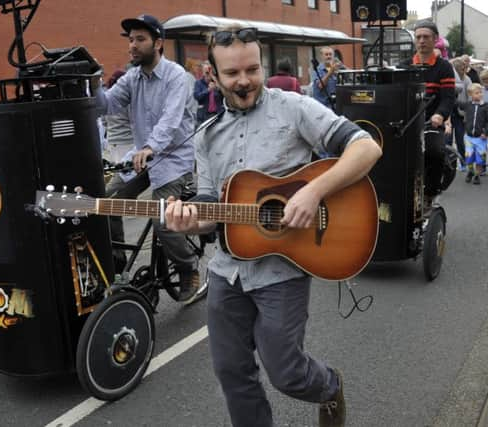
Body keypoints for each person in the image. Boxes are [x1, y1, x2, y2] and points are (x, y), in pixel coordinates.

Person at [164, 24, 382, 427]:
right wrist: (188, 223)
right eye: (232, 74)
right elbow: (212, 210)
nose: (244, 81)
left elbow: (366, 147)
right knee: (232, 373)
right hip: (227, 271)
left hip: (284, 268)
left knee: (287, 374)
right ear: (213, 75)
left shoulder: (294, 108)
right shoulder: (206, 136)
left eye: (252, 69)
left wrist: (313, 192)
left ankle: (329, 386)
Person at [95, 15, 200, 303]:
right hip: (142, 157)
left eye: (140, 39)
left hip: (174, 160)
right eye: (130, 40)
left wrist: (151, 146)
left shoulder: (176, 76)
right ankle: (117, 265)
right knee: (105, 202)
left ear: (158, 43)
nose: (133, 45)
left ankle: (188, 266)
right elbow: (107, 105)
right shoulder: (132, 78)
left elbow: (171, 118)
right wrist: (91, 82)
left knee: (163, 221)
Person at [400, 20, 456, 203]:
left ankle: (430, 195)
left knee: (435, 152)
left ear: (435, 39)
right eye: (418, 37)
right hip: (407, 123)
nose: (422, 41)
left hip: (431, 122)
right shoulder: (403, 66)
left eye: (426, 37)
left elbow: (448, 97)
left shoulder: (444, 67)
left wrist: (440, 114)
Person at [463, 83, 488, 185]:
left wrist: (486, 132)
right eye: (477, 93)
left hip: (481, 138)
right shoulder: (468, 105)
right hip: (469, 137)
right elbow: (455, 103)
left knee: (480, 159)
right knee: (469, 157)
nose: (480, 94)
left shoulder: (485, 106)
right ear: (471, 94)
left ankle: (477, 175)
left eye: (481, 92)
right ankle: (471, 171)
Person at [449, 57, 472, 170]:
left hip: (460, 114)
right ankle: (449, 163)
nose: (463, 71)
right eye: (461, 69)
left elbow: (470, 100)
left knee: (459, 140)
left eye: (464, 69)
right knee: (447, 140)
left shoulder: (467, 80)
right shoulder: (450, 79)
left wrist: (457, 102)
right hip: (449, 114)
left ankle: (463, 162)